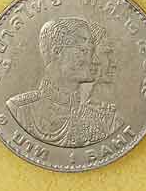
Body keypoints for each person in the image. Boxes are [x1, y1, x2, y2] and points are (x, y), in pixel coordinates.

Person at [6, 16, 118, 147]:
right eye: (84, 50)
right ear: (57, 51)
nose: (94, 60)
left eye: (91, 51)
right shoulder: (19, 109)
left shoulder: (103, 121)